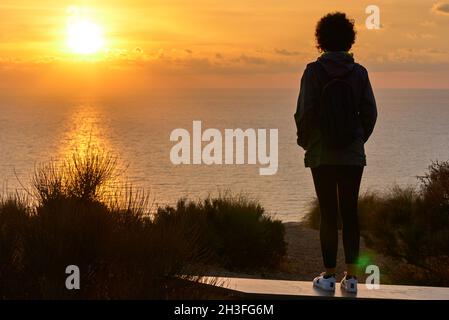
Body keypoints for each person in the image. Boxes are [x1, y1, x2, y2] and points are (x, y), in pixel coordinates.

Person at [294, 12, 377, 293]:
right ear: (349, 40)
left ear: (321, 40)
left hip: (322, 154)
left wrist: (309, 144)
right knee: (350, 212)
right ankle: (351, 279)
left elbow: (303, 113)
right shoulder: (360, 73)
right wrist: (356, 141)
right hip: (352, 154)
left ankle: (329, 276)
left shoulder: (313, 72)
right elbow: (370, 113)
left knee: (328, 213)